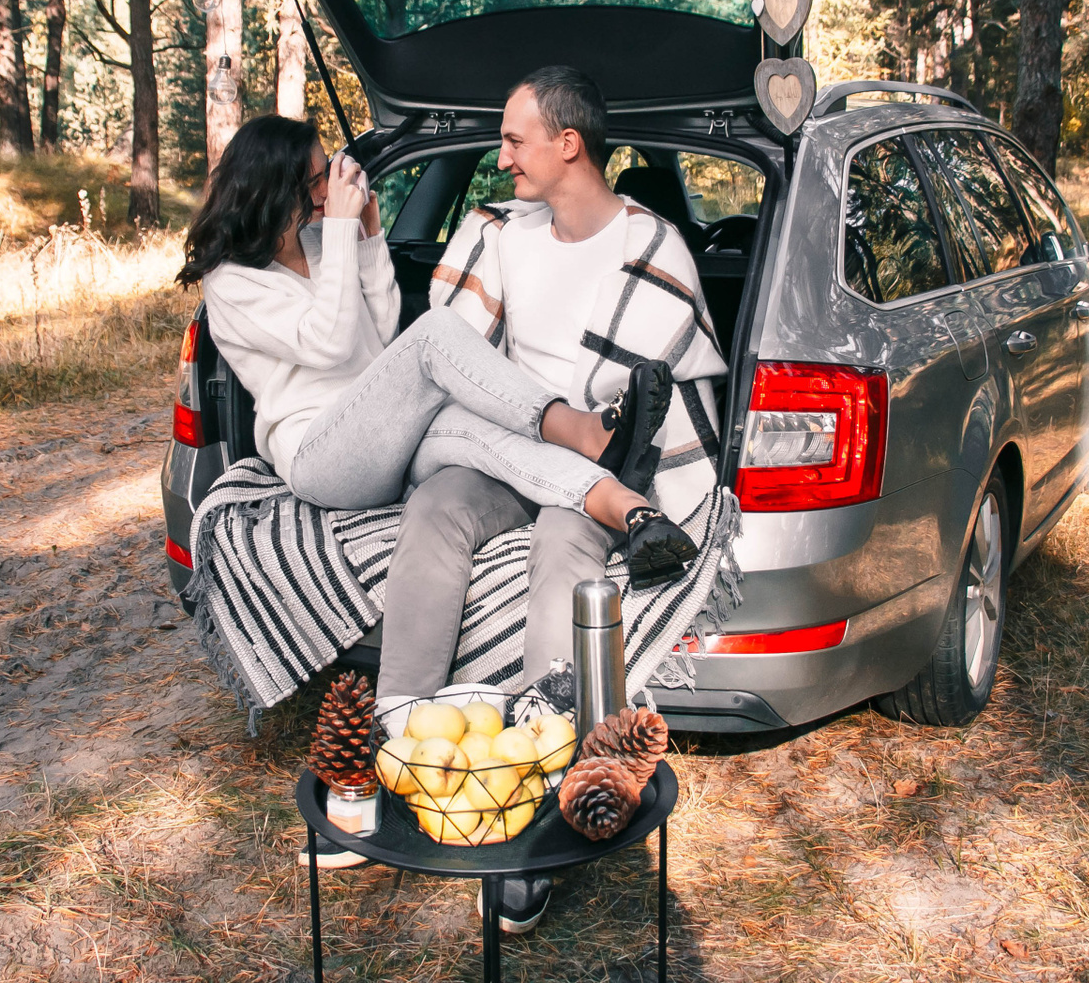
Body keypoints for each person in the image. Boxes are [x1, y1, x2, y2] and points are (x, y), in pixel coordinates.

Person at [376, 66, 728, 931]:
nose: (501, 160)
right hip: (509, 448)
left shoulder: (654, 249)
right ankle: (399, 743)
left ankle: (537, 792)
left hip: (594, 466)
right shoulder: (501, 236)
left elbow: (654, 404)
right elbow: (459, 357)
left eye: (514, 141)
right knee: (436, 505)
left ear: (568, 144)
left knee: (566, 541)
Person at [176, 114, 700, 581]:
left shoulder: (318, 242)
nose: (326, 188)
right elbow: (330, 344)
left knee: (481, 431)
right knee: (435, 332)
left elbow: (382, 334)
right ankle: (579, 429)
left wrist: (367, 238)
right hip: (320, 457)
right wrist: (338, 229)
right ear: (276, 187)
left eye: (325, 173)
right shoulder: (232, 281)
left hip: (380, 436)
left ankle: (629, 510)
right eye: (316, 179)